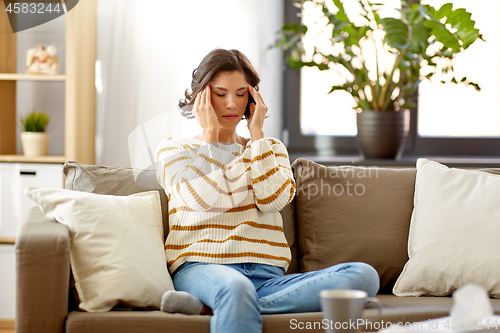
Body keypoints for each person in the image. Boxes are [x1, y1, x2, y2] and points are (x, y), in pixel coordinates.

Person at [155, 48, 379, 333]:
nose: (231, 104)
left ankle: (215, 307)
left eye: (240, 94)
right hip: (202, 267)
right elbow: (203, 199)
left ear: (252, 98)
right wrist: (212, 138)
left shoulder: (269, 148)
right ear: (202, 96)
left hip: (267, 275)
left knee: (362, 277)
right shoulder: (175, 149)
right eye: (220, 93)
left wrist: (257, 135)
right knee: (235, 288)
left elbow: (272, 199)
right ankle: (231, 300)